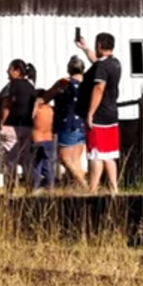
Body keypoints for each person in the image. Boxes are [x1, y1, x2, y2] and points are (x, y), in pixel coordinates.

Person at [76, 33, 123, 195]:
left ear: (100, 46)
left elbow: (99, 88)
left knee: (95, 154)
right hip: (111, 114)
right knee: (109, 154)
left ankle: (93, 188)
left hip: (99, 116)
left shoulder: (103, 67)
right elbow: (96, 62)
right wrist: (85, 48)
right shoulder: (114, 63)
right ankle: (114, 188)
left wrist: (90, 113)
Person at [41, 56, 89, 191]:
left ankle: (85, 186)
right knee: (76, 159)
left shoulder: (64, 83)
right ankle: (78, 189)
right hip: (81, 123)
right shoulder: (87, 84)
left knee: (65, 158)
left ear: (69, 69)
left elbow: (46, 97)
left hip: (66, 123)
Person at [0, 59, 36, 196]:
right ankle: (30, 188)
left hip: (12, 125)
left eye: (10, 69)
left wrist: (2, 121)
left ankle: (9, 191)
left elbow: (7, 104)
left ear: (17, 71)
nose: (7, 72)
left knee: (10, 159)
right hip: (27, 126)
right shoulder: (30, 86)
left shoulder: (13, 85)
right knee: (26, 158)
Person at [30, 88, 57, 192]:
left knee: (36, 164)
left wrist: (35, 105)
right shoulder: (50, 109)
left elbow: (30, 117)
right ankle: (50, 186)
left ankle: (36, 186)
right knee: (48, 163)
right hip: (49, 138)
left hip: (37, 138)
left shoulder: (38, 110)